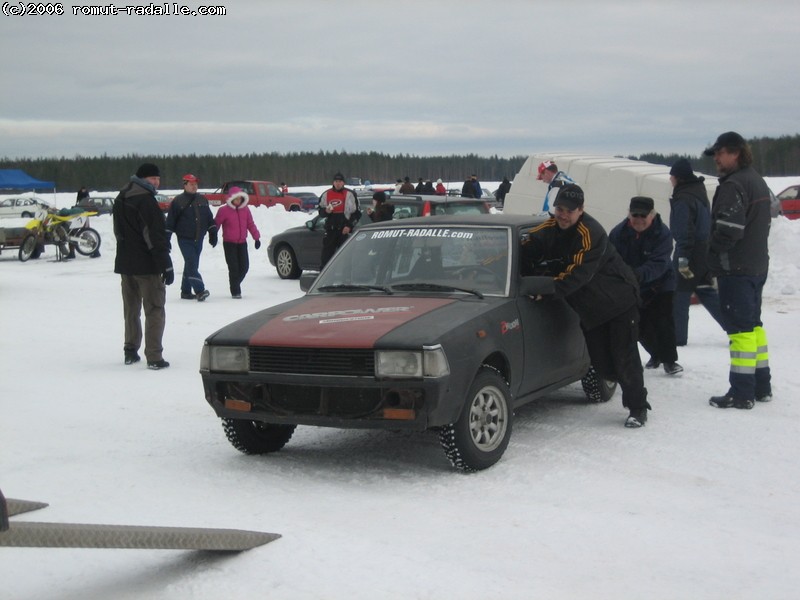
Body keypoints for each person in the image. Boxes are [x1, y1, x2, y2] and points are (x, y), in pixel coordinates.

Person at [521, 184, 651, 427]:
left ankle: (638, 407)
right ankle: (621, 380)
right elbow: (525, 247)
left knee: (625, 357)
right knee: (603, 366)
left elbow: (575, 276)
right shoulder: (549, 228)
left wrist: (543, 290)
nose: (563, 215)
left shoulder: (591, 233)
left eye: (569, 211)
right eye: (559, 209)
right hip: (591, 309)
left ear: (581, 210)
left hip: (619, 302)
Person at [704, 132, 773, 409]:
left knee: (740, 331)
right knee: (754, 327)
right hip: (756, 265)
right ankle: (761, 386)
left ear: (736, 153)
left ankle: (742, 393)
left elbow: (729, 230)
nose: (717, 159)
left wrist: (710, 256)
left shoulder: (734, 185)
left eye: (720, 153)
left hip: (737, 268)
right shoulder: (756, 180)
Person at [610, 196, 682, 375]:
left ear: (652, 215)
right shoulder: (618, 233)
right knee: (638, 325)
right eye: (635, 215)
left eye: (643, 216)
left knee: (663, 321)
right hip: (632, 285)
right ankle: (655, 354)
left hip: (661, 283)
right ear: (629, 215)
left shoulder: (663, 234)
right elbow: (611, 259)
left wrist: (637, 274)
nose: (639, 220)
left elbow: (659, 264)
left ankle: (670, 360)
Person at [112, 162, 173, 370]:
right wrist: (165, 264)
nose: (156, 182)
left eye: (157, 178)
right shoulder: (146, 201)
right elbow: (155, 236)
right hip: (147, 266)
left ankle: (130, 350)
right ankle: (154, 356)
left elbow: (118, 232)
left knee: (131, 309)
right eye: (152, 179)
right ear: (142, 179)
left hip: (126, 264)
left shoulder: (121, 197)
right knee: (155, 309)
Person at [668, 158, 726, 345]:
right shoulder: (699, 191)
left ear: (678, 178)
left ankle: (677, 338)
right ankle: (736, 327)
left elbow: (685, 230)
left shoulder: (683, 198)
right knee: (705, 290)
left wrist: (683, 258)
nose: (671, 180)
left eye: (672, 176)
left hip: (690, 252)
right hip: (704, 250)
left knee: (680, 293)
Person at [165, 174, 218, 301]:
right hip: (185, 239)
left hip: (199, 238)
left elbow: (209, 219)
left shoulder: (202, 200)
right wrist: (166, 238)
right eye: (191, 184)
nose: (194, 186)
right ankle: (200, 290)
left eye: (196, 184)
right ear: (185, 185)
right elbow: (170, 222)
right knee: (191, 263)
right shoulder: (178, 201)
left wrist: (213, 233)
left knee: (191, 265)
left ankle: (185, 291)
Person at [214, 186, 260, 298]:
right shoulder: (223, 210)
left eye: (240, 198)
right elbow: (216, 224)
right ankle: (235, 291)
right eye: (236, 198)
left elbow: (250, 224)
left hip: (242, 243)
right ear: (231, 198)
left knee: (244, 267)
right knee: (233, 267)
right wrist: (213, 235)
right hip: (229, 243)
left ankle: (235, 283)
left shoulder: (246, 210)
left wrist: (256, 237)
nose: (238, 201)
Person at [318, 172, 361, 267]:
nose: (338, 183)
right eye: (336, 181)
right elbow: (320, 212)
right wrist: (326, 211)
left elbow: (357, 214)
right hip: (331, 231)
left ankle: (346, 280)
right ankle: (324, 280)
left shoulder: (350, 194)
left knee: (346, 259)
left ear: (343, 183)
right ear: (333, 182)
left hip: (344, 232)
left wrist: (349, 226)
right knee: (326, 259)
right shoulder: (326, 194)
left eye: (340, 181)